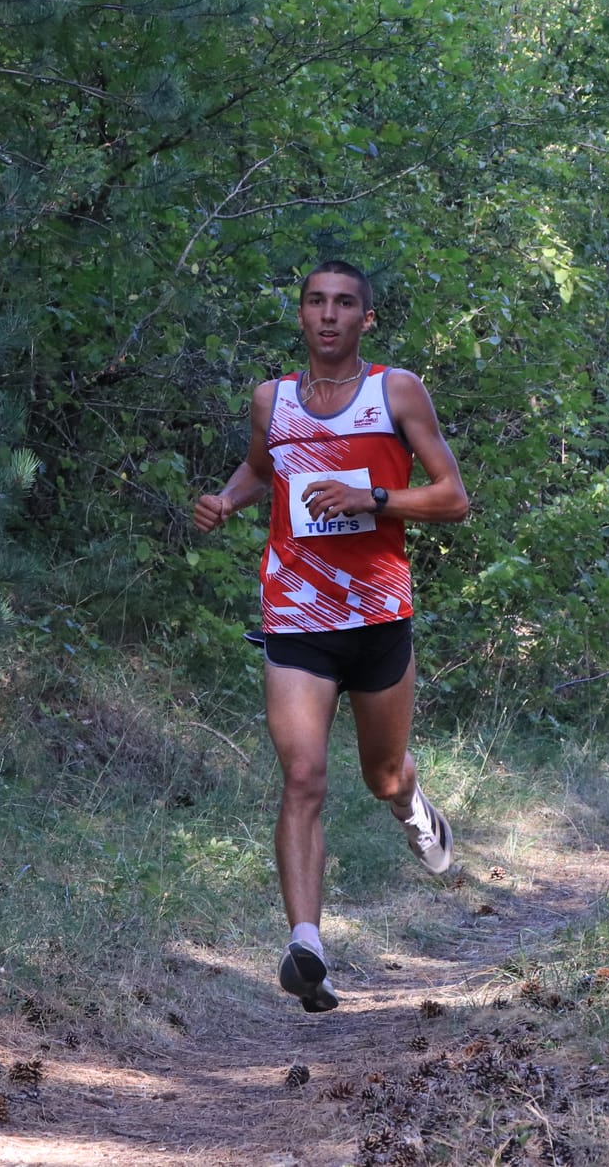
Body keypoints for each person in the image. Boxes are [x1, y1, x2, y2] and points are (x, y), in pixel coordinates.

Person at [193, 260, 470, 1013]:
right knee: (304, 776)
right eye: (316, 301)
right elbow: (261, 469)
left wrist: (372, 498)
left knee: (381, 774)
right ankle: (305, 945)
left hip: (378, 614)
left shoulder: (395, 391)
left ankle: (416, 812)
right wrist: (225, 498)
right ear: (301, 313)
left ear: (365, 320)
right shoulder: (271, 400)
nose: (328, 315)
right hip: (297, 615)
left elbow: (453, 497)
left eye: (344, 304)